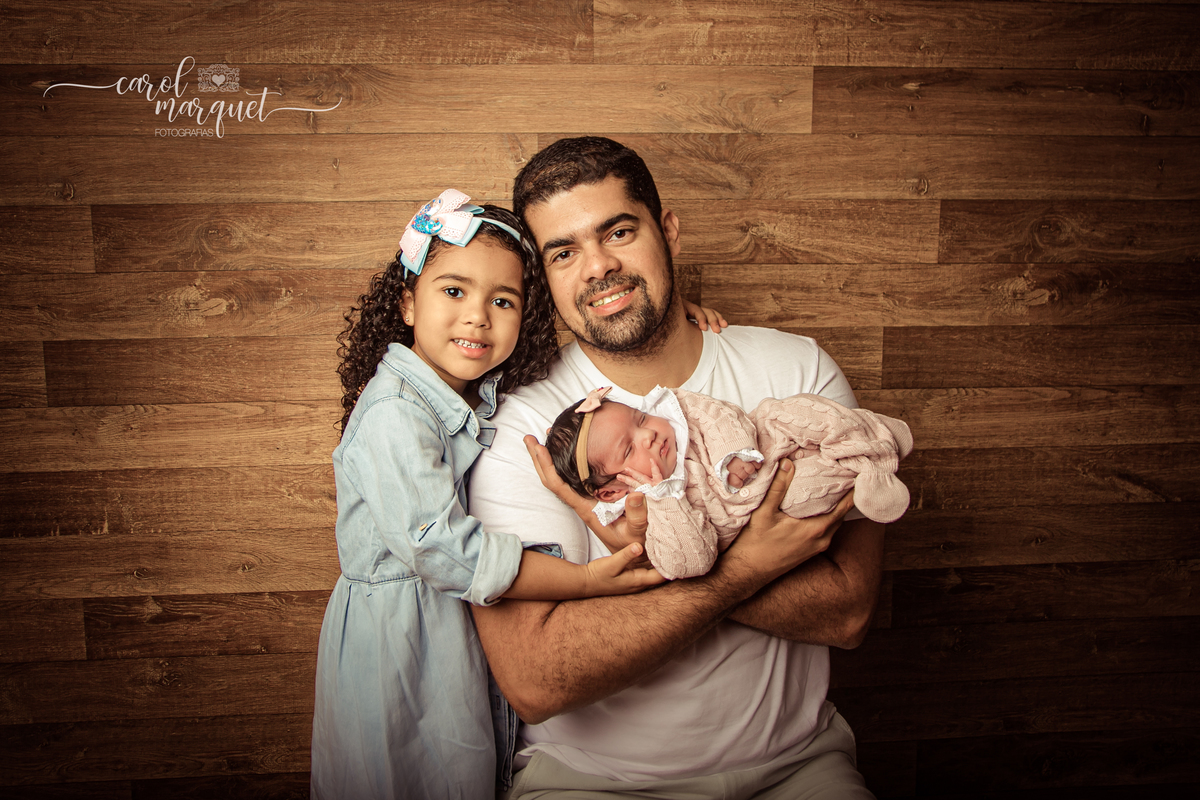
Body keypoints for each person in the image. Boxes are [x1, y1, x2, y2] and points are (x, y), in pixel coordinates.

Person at [468, 136, 883, 796]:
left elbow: (846, 611)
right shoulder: (524, 430)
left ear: (668, 233)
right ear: (545, 280)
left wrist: (648, 566)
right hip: (589, 782)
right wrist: (748, 566)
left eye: (620, 231)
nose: (599, 267)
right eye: (564, 252)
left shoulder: (795, 371)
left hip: (798, 767)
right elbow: (538, 677)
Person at [309, 190, 666, 800]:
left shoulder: (472, 393)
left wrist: (679, 323)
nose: (478, 317)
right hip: (400, 640)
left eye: (502, 301)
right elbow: (442, 550)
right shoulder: (395, 413)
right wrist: (583, 582)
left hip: (453, 626)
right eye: (453, 292)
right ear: (406, 302)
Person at [544, 384, 913, 580]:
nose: (649, 436)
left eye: (640, 419)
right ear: (614, 489)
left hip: (762, 442)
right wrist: (665, 497)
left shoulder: (679, 412)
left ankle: (869, 439)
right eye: (628, 450)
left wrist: (733, 452)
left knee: (792, 412)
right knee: (802, 496)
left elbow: (719, 414)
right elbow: (691, 562)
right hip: (771, 500)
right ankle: (866, 468)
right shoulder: (654, 517)